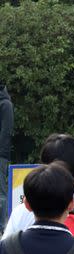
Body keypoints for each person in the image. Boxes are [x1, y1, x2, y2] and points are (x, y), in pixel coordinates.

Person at [0, 82, 13, 230]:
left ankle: (3, 227)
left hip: (0, 154)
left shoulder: (5, 105)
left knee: (1, 193)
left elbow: (6, 131)